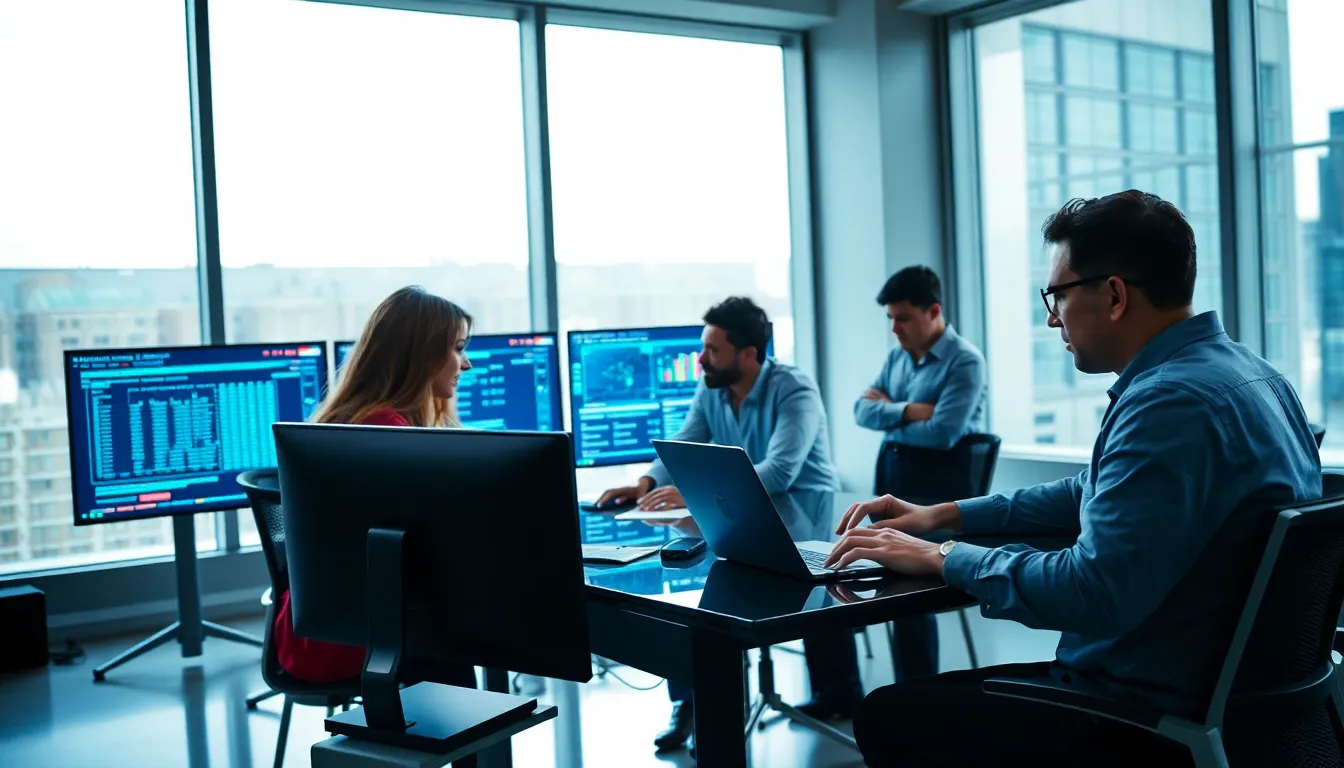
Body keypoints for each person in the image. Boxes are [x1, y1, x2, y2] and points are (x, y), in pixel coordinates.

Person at [827, 191, 1321, 766]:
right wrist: (943, 517)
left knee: (890, 715)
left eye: (1056, 294)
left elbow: (1092, 591)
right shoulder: (1258, 377)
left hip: (1138, 715)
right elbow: (1090, 490)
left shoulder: (1168, 402)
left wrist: (944, 556)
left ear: (1113, 295)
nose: (1051, 317)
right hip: (1242, 706)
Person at [596, 297, 862, 753]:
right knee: (692, 594)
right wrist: (643, 482)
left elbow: (780, 471)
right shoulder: (712, 388)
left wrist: (698, 490)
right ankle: (693, 702)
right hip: (742, 510)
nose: (700, 358)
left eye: (711, 350)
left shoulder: (794, 389)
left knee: (757, 590)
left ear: (749, 354)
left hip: (806, 514)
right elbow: (685, 441)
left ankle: (837, 694)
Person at [272, 287, 480, 765]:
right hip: (355, 638)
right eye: (457, 348)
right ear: (420, 353)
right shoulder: (386, 433)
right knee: (469, 634)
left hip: (316, 623)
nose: (463, 365)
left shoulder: (350, 421)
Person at [854, 265, 987, 684]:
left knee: (902, 585)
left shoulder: (964, 361)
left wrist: (887, 412)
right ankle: (843, 690)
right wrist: (911, 410)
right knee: (840, 559)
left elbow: (944, 433)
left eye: (903, 317)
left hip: (937, 497)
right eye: (890, 318)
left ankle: (913, 694)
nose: (894, 328)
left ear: (933, 311)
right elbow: (860, 411)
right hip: (893, 486)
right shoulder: (898, 356)